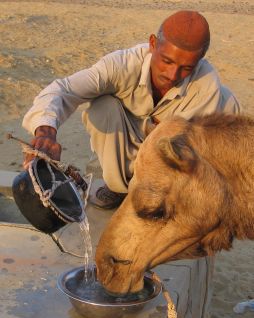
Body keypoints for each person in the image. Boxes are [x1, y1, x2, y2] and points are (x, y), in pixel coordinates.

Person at [23, 10, 242, 209]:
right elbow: (63, 90)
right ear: (153, 44)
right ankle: (119, 189)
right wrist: (46, 132)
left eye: (186, 68)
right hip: (131, 145)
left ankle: (150, 195)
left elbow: (184, 150)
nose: (172, 75)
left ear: (200, 61)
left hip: (172, 156)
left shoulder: (208, 88)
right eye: (166, 61)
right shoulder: (120, 66)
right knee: (101, 107)